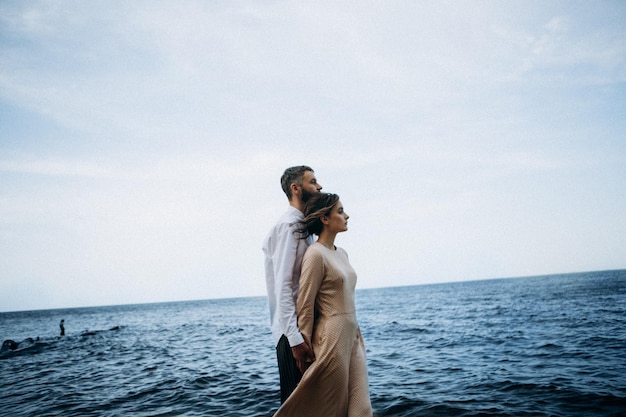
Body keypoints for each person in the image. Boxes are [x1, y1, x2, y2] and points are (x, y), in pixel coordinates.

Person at [273, 193, 373, 417]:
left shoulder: (343, 254)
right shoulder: (315, 254)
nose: (346, 216)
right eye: (340, 211)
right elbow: (305, 303)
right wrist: (303, 347)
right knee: (331, 408)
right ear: (325, 219)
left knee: (362, 408)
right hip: (332, 337)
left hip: (353, 335)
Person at [262, 166, 322, 403]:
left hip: (303, 328)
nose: (319, 186)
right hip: (292, 333)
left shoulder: (303, 226)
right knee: (297, 406)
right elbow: (284, 286)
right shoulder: (290, 226)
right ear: (295, 188)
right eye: (313, 181)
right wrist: (295, 340)